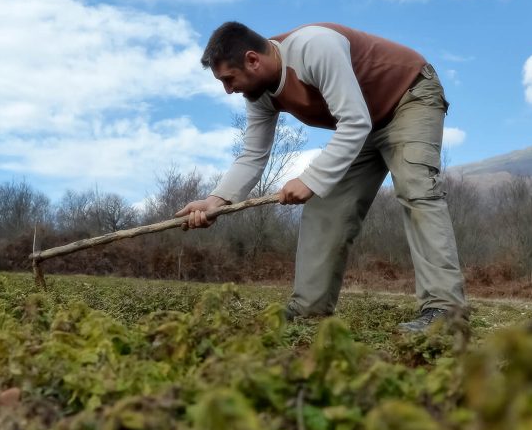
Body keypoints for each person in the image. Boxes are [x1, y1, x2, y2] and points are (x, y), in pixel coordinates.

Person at [176, 22, 466, 331]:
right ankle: (309, 310)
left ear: (252, 60)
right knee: (325, 203)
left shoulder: (314, 48)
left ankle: (445, 312)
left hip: (408, 97)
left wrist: (310, 179)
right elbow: (252, 156)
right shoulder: (259, 94)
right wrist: (215, 202)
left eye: (229, 80)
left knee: (417, 191)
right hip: (362, 122)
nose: (229, 90)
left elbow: (353, 122)